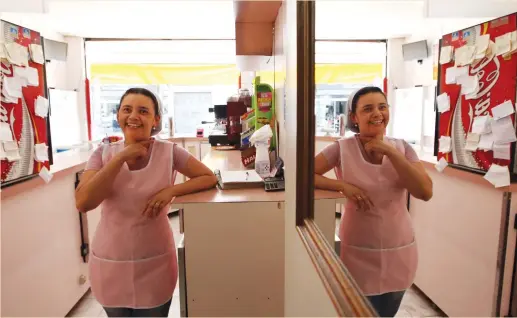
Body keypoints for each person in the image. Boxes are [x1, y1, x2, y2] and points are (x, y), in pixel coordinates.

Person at [75, 88, 217, 317]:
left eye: (143, 111)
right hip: (110, 261)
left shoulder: (170, 152)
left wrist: (170, 191)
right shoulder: (102, 154)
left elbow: (209, 177)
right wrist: (121, 157)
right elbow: (83, 202)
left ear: (155, 119)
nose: (133, 116)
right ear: (118, 115)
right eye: (127, 109)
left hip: (155, 261)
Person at [314, 86, 433, 317]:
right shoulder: (341, 149)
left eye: (382, 106)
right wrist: (342, 186)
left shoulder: (402, 148)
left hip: (399, 247)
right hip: (359, 248)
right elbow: (305, 174)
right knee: (357, 310)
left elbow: (425, 191)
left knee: (387, 311)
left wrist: (391, 153)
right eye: (367, 109)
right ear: (354, 117)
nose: (377, 113)